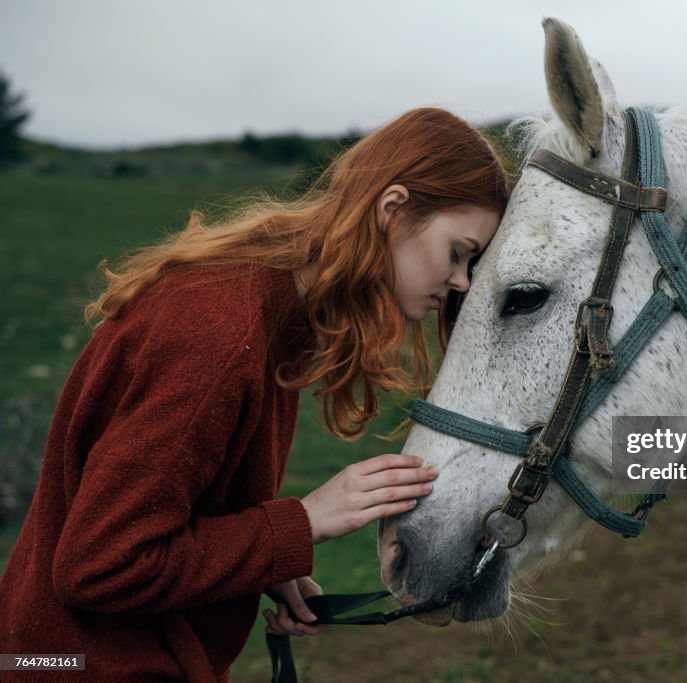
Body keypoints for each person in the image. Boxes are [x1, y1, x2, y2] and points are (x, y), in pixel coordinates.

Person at [0, 107, 509, 681]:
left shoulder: (270, 310)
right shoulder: (218, 332)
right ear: (392, 211)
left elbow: (171, 508)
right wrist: (302, 522)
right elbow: (101, 564)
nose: (463, 281)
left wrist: (263, 563)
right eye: (458, 252)